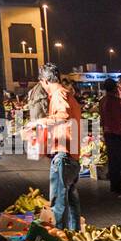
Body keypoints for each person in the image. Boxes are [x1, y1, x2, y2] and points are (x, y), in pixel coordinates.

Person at [29, 62, 84, 230]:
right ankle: (74, 234)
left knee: (58, 200)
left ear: (45, 81)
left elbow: (63, 115)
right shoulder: (68, 95)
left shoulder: (59, 94)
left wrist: (39, 122)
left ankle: (57, 237)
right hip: (72, 155)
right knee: (71, 198)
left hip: (64, 154)